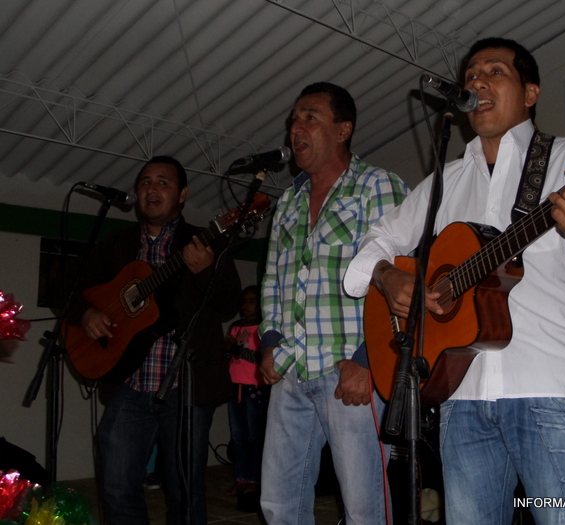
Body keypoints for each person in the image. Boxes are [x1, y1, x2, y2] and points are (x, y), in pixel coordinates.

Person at [344, 38, 565, 524]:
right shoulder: (446, 180)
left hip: (547, 387)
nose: (478, 82)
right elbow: (376, 240)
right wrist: (386, 277)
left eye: (495, 72)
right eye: (470, 76)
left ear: (531, 93)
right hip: (459, 394)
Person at [258, 82, 409, 525]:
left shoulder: (377, 185)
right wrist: (270, 340)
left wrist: (369, 360)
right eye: (294, 119)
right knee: (279, 505)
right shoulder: (288, 201)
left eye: (310, 116)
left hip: (350, 370)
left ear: (343, 130)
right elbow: (273, 279)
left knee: (364, 509)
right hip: (292, 368)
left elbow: (403, 278)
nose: (296, 127)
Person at [66, 156, 241, 525]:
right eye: (145, 182)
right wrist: (86, 314)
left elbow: (229, 304)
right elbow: (64, 287)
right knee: (116, 488)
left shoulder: (207, 242)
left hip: (186, 386)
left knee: (185, 493)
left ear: (182, 194)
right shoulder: (116, 245)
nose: (152, 188)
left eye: (163, 182)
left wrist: (205, 270)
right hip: (129, 384)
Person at [225, 284, 268, 497]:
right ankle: (240, 478)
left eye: (252, 301)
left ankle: (254, 479)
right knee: (238, 436)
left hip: (254, 387)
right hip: (235, 386)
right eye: (244, 301)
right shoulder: (235, 326)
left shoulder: (263, 327)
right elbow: (228, 355)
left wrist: (235, 349)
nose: (246, 306)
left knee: (254, 436)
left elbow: (259, 359)